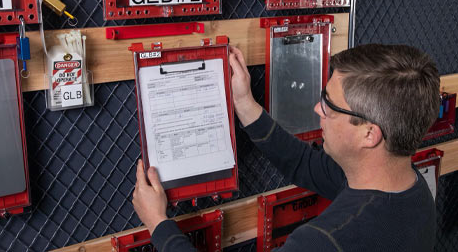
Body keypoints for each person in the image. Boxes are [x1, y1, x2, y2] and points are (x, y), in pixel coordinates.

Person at [133, 44, 440, 252]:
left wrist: (159, 226)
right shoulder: (411, 188)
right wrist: (244, 104)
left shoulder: (323, 241)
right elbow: (305, 164)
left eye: (330, 104)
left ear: (369, 134)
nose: (317, 109)